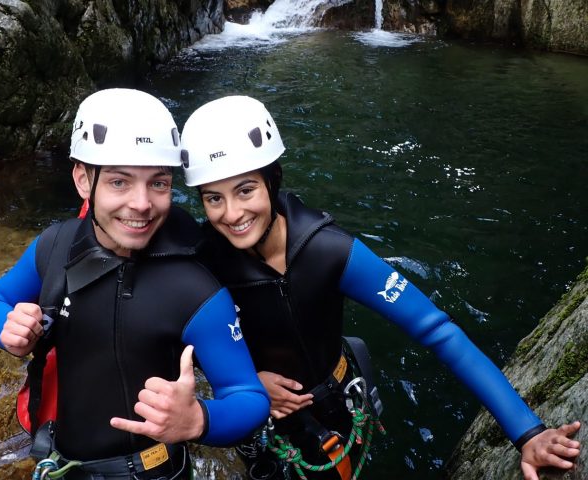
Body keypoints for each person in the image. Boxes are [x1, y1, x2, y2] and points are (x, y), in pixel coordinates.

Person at [179, 95, 581, 480]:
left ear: (272, 179)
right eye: (214, 198)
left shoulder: (328, 250)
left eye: (245, 190)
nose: (232, 214)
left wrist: (527, 432)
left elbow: (437, 331)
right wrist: (246, 382)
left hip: (333, 407)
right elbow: (165, 333)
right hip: (252, 419)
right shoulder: (204, 259)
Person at [0, 89, 270, 479]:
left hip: (154, 471)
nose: (142, 204)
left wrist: (198, 419)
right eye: (119, 182)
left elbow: (248, 397)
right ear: (83, 179)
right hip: (60, 460)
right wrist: (9, 329)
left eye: (159, 184)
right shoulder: (55, 246)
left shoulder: (193, 287)